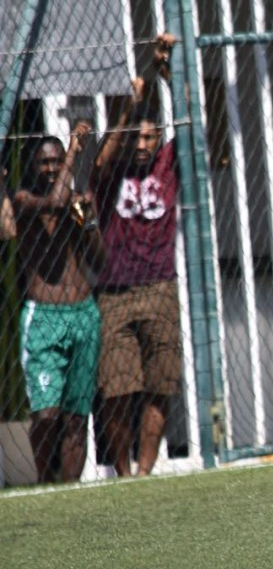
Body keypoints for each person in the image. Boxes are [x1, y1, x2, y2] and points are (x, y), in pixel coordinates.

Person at [91, 32, 181, 478]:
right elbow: (104, 155)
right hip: (114, 292)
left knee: (160, 385)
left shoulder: (169, 164)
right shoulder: (113, 170)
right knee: (118, 389)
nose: (143, 146)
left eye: (150, 138)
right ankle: (123, 473)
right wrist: (129, 106)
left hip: (160, 287)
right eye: (136, 139)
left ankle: (145, 474)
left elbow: (199, 124)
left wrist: (166, 72)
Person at [10, 123, 107, 483]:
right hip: (44, 318)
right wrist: (74, 149)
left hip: (83, 315)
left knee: (76, 418)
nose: (51, 168)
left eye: (56, 161)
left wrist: (90, 222)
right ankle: (44, 482)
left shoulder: (77, 202)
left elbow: (98, 262)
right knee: (47, 414)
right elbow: (54, 202)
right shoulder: (24, 201)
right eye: (44, 162)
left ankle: (69, 491)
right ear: (32, 166)